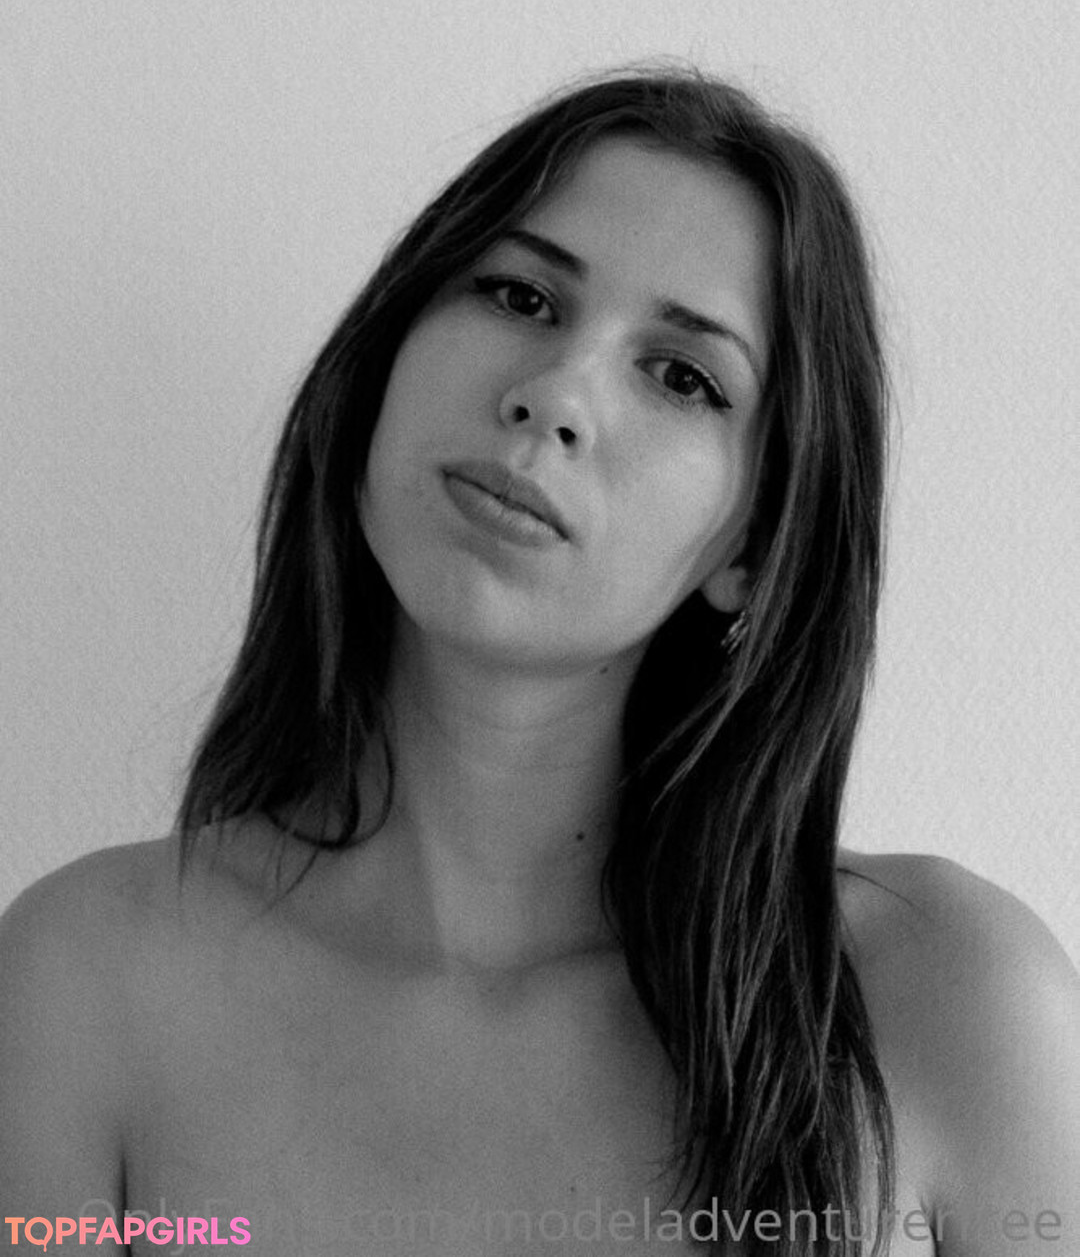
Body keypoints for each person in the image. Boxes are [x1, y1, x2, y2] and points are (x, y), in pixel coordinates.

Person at [0, 69, 1076, 1256]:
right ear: (382, 363)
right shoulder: (83, 989)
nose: (555, 394)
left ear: (753, 547)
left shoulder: (952, 1004)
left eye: (683, 376)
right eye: (520, 296)